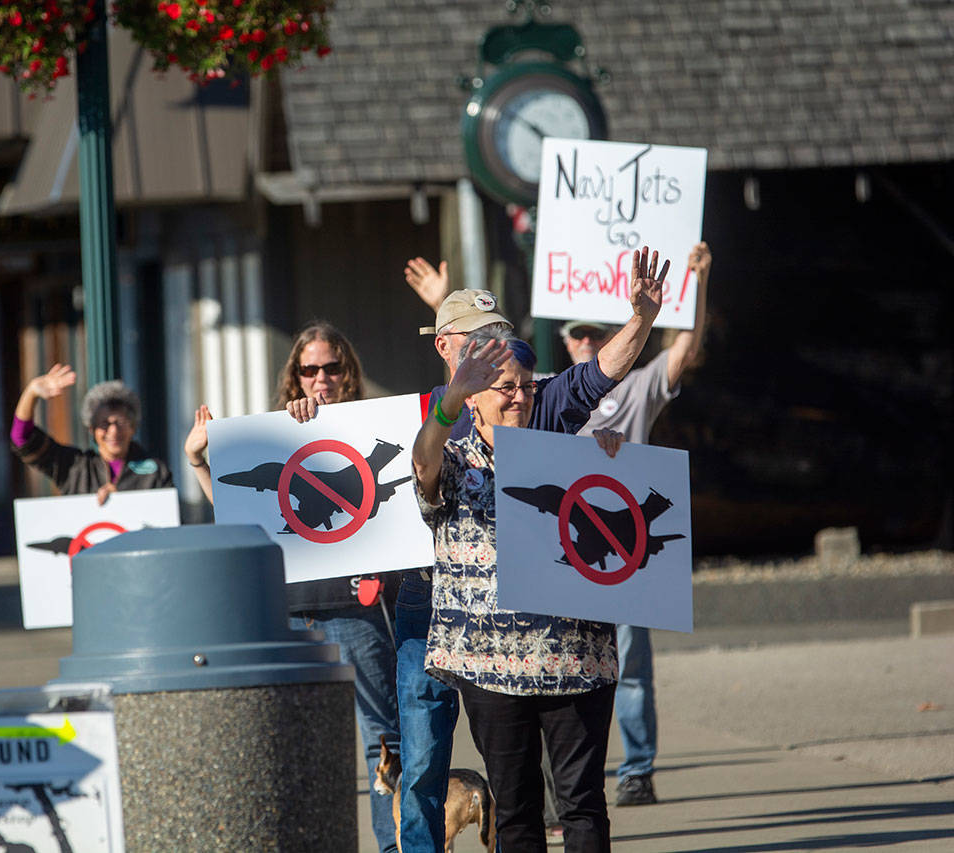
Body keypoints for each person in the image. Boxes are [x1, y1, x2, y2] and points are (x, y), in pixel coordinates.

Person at [410, 247, 669, 850]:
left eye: (523, 384)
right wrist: (455, 396)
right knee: (517, 813)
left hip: (576, 658)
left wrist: (609, 465)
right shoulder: (449, 442)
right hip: (492, 666)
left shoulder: (554, 414)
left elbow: (603, 370)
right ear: (468, 392)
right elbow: (422, 466)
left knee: (583, 810)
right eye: (501, 385)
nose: (517, 394)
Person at [183, 322, 403, 853]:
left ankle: (395, 845)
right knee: (294, 745)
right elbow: (240, 515)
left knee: (384, 741)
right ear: (295, 375)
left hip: (357, 608)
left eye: (331, 367)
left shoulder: (378, 424)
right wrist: (197, 460)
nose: (321, 378)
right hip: (291, 611)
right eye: (310, 369)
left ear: (348, 371)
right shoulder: (275, 434)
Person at [562, 241, 713, 807]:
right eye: (575, 334)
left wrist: (697, 283)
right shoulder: (548, 392)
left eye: (593, 334)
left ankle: (637, 768)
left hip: (626, 545)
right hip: (568, 545)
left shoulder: (638, 385)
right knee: (569, 669)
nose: (583, 342)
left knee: (629, 666)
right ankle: (576, 777)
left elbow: (686, 349)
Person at [395, 268, 513, 852]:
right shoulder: (412, 412)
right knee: (421, 760)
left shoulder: (519, 397)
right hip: (426, 593)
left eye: (497, 337)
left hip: (501, 595)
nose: (489, 351)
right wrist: (305, 411)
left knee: (512, 756)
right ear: (444, 347)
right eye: (474, 339)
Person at [11, 364, 173, 499]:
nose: (113, 431)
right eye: (104, 424)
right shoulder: (75, 468)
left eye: (121, 423)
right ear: (92, 429)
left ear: (134, 427)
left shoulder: (156, 473)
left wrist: (124, 504)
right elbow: (22, 439)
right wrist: (31, 393)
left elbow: (169, 523)